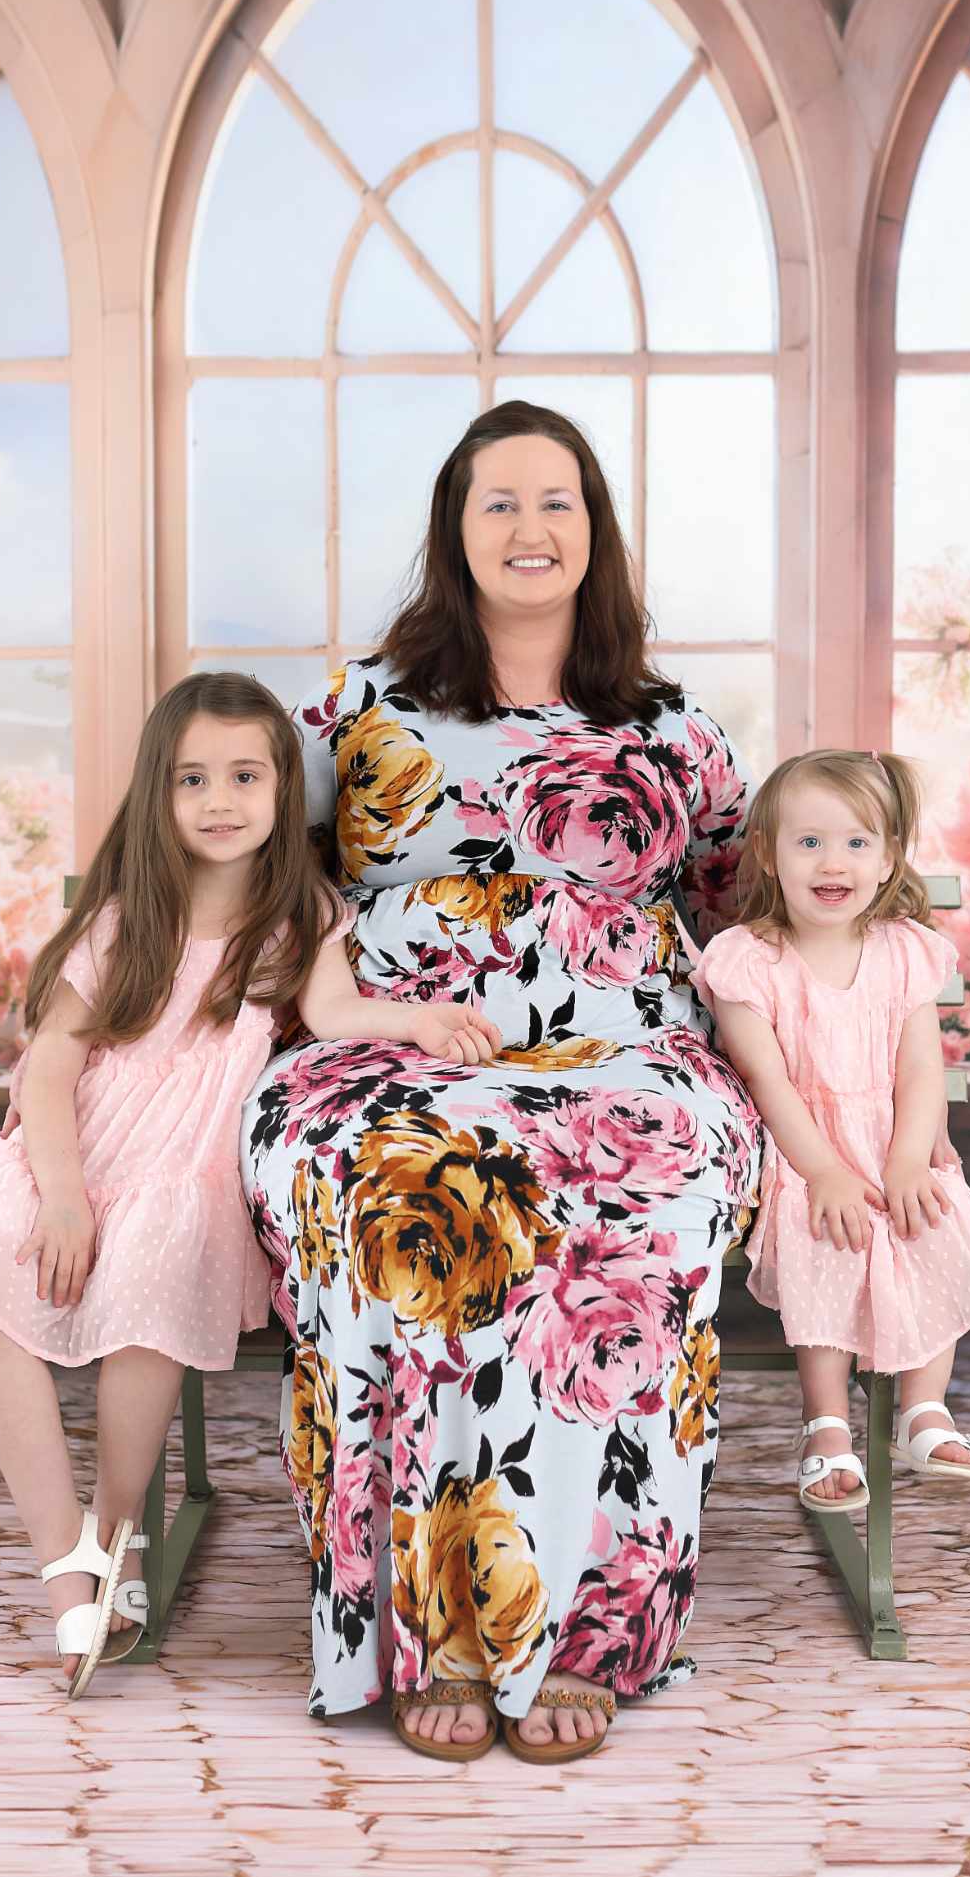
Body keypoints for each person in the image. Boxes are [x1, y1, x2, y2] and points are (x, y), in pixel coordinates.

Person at [242, 399, 766, 1764]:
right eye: (500, 503)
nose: (531, 530)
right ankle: (432, 1633)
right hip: (387, 1042)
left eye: (558, 502)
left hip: (631, 1046)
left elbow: (740, 905)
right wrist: (343, 1002)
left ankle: (578, 1636)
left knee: (637, 1189)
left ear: (594, 530)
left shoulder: (676, 728)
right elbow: (258, 873)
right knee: (385, 1182)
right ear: (454, 530)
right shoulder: (356, 711)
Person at [0, 672, 497, 1698]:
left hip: (183, 1164)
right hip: (75, 1142)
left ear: (285, 790)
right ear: (160, 793)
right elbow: (53, 1062)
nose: (220, 799)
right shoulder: (125, 917)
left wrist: (418, 1020)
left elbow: (333, 1014)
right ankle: (66, 1556)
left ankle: (121, 1527)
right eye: (193, 778)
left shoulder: (301, 915)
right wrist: (60, 1190)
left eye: (244, 775)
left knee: (155, 1248)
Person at [692, 748, 970, 1514]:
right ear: (769, 850)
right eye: (811, 841)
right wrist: (823, 1169)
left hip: (895, 1145)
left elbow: (921, 1071)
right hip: (804, 1152)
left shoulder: (902, 952)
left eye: (859, 842)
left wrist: (907, 1161)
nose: (836, 861)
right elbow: (768, 1079)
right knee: (831, 1233)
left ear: (890, 855)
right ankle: (825, 1423)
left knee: (932, 1217)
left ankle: (924, 1408)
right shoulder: (749, 961)